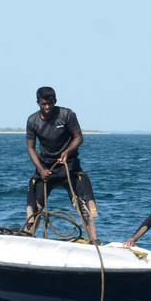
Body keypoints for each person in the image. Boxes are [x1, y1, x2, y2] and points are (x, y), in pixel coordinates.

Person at [25, 86, 98, 241]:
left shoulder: (67, 115)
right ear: (38, 102)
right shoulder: (32, 120)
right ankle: (28, 238)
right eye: (43, 104)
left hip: (69, 167)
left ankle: (94, 241)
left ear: (55, 101)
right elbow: (30, 147)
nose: (47, 107)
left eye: (50, 103)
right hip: (46, 170)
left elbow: (79, 137)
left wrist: (67, 152)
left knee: (81, 205)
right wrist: (41, 169)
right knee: (36, 208)